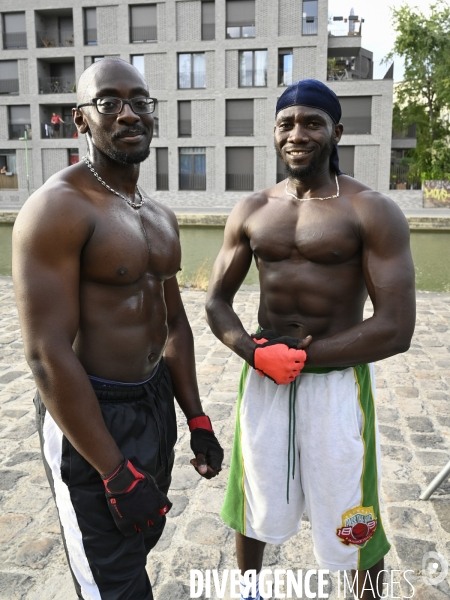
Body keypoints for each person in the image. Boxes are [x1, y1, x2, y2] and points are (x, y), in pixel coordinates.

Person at [13, 58, 223, 600]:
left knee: (140, 539)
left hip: (151, 401)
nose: (129, 114)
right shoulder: (56, 210)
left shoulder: (157, 215)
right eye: (109, 102)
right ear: (81, 120)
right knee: (111, 582)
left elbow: (173, 322)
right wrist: (112, 470)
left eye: (140, 102)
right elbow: (45, 351)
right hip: (90, 411)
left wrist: (195, 416)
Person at [205, 79, 416, 600]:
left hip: (336, 386)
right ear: (274, 134)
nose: (297, 133)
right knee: (254, 495)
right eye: (286, 123)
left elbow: (396, 326)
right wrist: (256, 354)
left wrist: (299, 359)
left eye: (311, 122)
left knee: (352, 511)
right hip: (264, 380)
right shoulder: (252, 209)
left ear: (336, 132)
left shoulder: (371, 210)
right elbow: (215, 302)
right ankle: (249, 592)